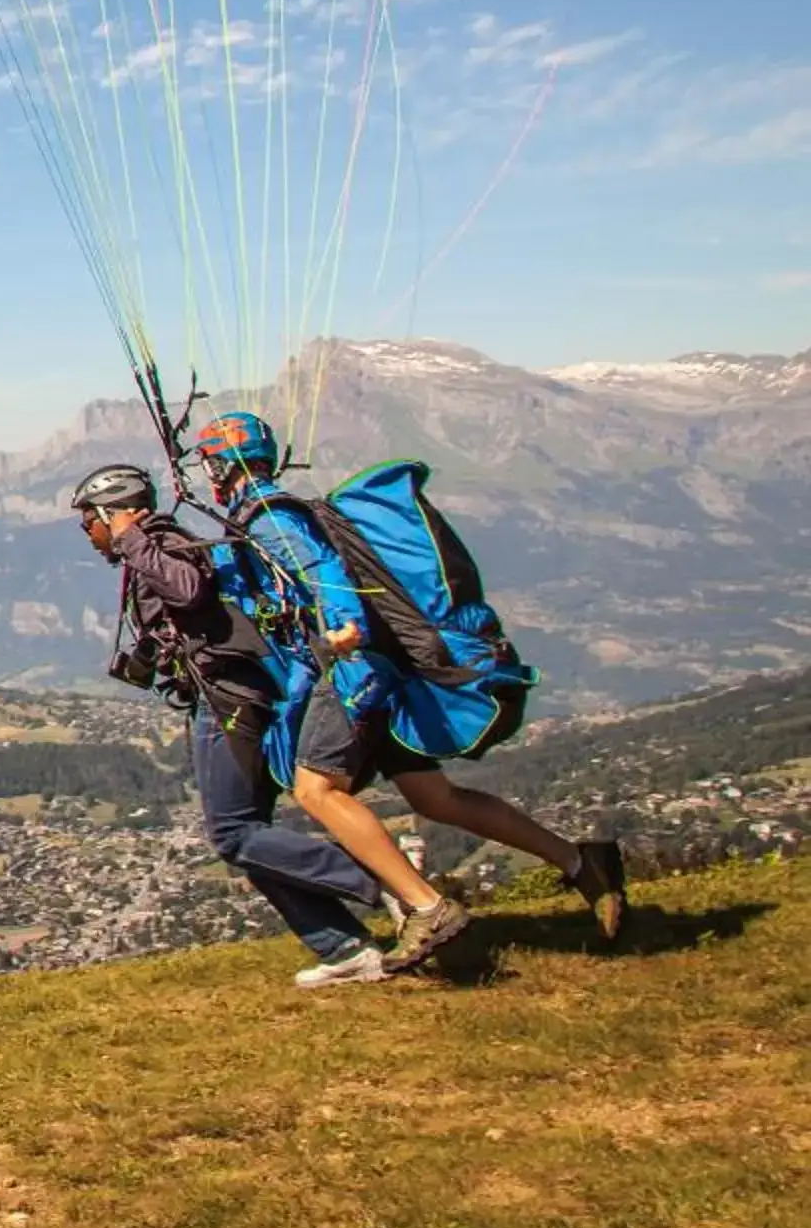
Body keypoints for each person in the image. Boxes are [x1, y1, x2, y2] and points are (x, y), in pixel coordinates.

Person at [187, 412, 627, 974]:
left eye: (209, 463)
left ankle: (425, 908)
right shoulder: (267, 510)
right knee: (435, 798)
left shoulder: (267, 516)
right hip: (379, 674)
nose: (206, 474)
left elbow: (322, 570)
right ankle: (580, 862)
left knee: (316, 790)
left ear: (225, 463)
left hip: (353, 672)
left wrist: (343, 628)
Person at [72, 462, 396, 988]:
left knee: (233, 835)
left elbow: (188, 589)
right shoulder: (152, 549)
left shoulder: (162, 542)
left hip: (230, 700)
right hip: (224, 696)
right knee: (249, 835)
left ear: (113, 513)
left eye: (90, 523)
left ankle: (385, 879)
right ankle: (344, 947)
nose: (89, 536)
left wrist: (132, 538)